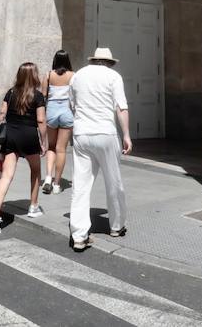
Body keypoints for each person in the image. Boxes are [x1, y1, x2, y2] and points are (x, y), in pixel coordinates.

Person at [67, 46, 130, 251]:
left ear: (93, 60)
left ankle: (79, 234)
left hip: (82, 132)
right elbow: (120, 108)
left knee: (81, 185)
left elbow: (72, 105)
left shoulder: (78, 76)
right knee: (114, 181)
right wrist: (127, 135)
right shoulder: (113, 76)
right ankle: (116, 225)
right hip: (105, 132)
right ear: (110, 62)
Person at [0, 61, 48, 235]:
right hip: (29, 137)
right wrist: (44, 141)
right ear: (34, 76)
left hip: (11, 136)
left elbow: (1, 114)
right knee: (35, 171)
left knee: (6, 176)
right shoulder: (38, 96)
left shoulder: (10, 93)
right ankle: (33, 206)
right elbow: (41, 120)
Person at [41, 49, 75, 194]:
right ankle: (56, 184)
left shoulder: (48, 75)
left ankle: (48, 177)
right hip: (67, 111)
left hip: (52, 111)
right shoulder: (73, 76)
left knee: (51, 147)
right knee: (62, 149)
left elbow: (43, 95)